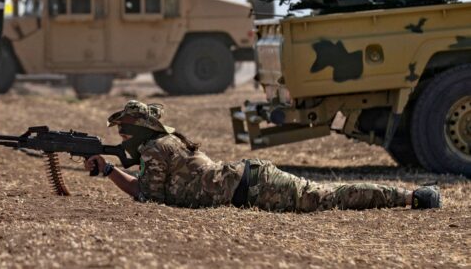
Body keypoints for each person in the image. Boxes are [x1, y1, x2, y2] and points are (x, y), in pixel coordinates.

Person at [84, 100, 441, 211]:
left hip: (255, 186)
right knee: (326, 196)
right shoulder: (165, 143)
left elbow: (148, 194)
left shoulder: (156, 150)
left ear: (140, 129)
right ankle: (409, 195)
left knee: (327, 198)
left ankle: (412, 196)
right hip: (251, 181)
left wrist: (110, 170)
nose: (122, 136)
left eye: (125, 130)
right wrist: (112, 168)